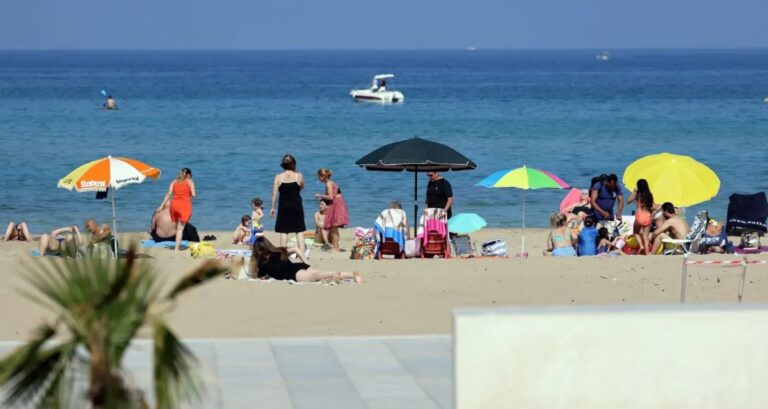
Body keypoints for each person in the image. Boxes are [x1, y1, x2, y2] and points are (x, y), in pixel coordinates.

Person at [248, 237, 362, 283]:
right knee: (317, 273)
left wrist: (253, 260)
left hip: (293, 273)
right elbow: (296, 249)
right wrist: (305, 261)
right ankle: (350, 274)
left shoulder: (262, 262)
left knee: (317, 276)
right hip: (298, 266)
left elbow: (253, 274)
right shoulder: (278, 251)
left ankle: (346, 274)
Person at [271, 154, 307, 256]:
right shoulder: (298, 175)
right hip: (296, 204)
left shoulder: (278, 177)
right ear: (294, 164)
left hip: (284, 206)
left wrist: (272, 208)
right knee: (299, 230)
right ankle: (302, 254)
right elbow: (301, 186)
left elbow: (274, 193)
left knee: (284, 231)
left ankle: (283, 255)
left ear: (283, 165)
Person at [157, 167, 196, 252]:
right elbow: (193, 194)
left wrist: (161, 206)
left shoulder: (174, 182)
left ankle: (176, 245)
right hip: (184, 205)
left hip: (174, 206)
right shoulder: (189, 181)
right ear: (188, 175)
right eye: (191, 175)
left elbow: (168, 194)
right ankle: (176, 249)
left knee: (177, 227)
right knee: (180, 228)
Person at [314, 168, 349, 253]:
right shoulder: (329, 183)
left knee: (334, 227)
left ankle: (336, 248)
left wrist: (320, 195)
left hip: (336, 204)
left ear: (323, 176)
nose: (318, 178)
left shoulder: (328, 184)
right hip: (335, 203)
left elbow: (330, 197)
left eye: (319, 176)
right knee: (333, 227)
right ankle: (334, 246)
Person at [626, 179, 656, 255]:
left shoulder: (637, 194)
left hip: (639, 215)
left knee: (635, 232)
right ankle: (646, 253)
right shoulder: (650, 194)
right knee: (645, 237)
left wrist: (634, 192)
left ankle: (641, 246)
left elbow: (628, 201)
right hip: (647, 216)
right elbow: (653, 207)